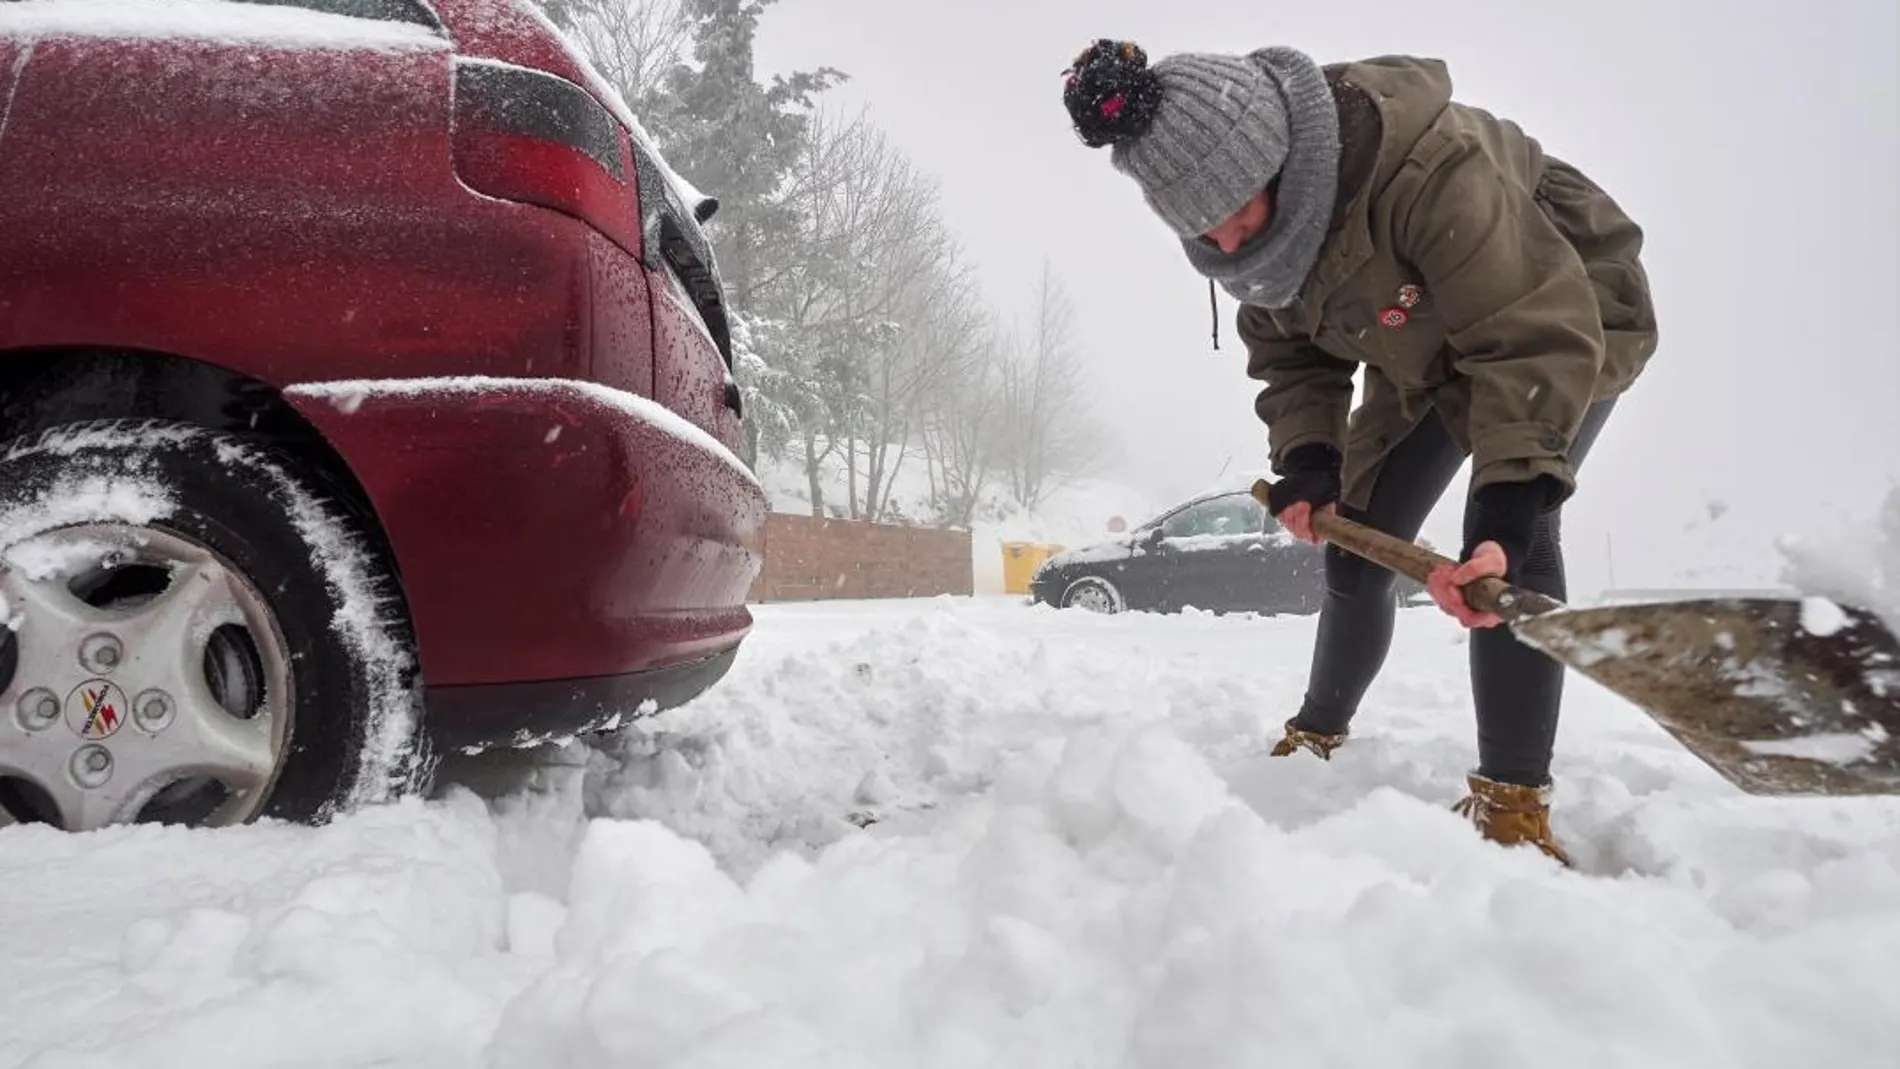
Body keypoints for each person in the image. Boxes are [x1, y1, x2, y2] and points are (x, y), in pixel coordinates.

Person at [1061, 40, 1658, 865]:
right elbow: (1291, 356)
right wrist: (1310, 460)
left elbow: (1526, 336)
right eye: (1201, 222)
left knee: (1511, 558)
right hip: (1418, 348)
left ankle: (1513, 800)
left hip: (1559, 318)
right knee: (1359, 546)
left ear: (1275, 155)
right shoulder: (1253, 251)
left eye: (1236, 205)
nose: (1227, 238)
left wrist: (1503, 516)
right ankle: (1318, 729)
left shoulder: (1432, 173)